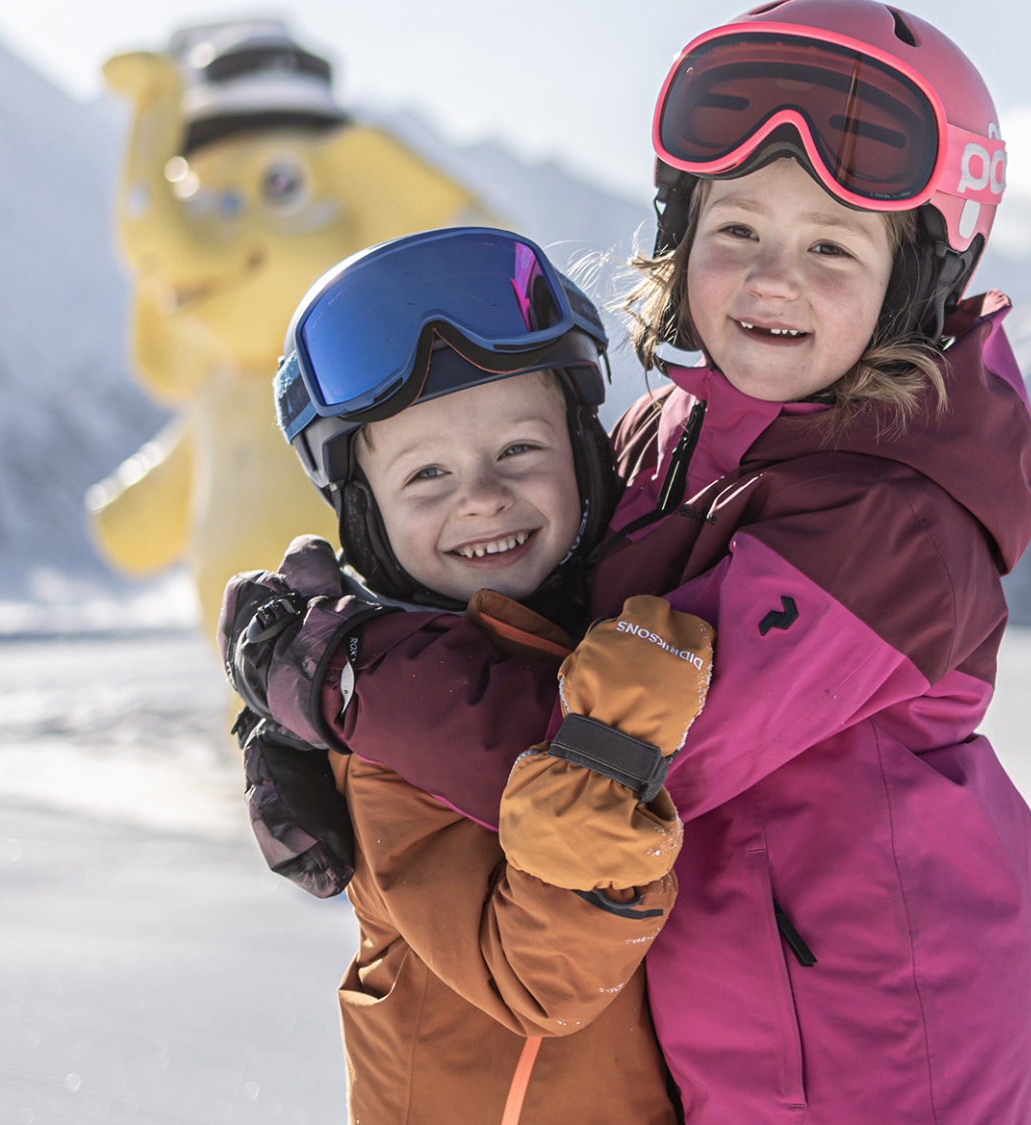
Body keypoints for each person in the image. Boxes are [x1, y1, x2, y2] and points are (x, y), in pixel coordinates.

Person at [233, 4, 1031, 1120]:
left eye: (829, 246)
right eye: (737, 233)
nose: (771, 280)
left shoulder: (897, 521)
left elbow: (615, 764)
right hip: (717, 1025)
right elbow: (540, 614)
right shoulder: (666, 435)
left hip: (859, 1058)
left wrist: (350, 684)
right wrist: (309, 733)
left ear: (918, 274)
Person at [217, 228, 720, 1123]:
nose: (481, 497)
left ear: (582, 451)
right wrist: (608, 750)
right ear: (366, 513)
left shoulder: (583, 627)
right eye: (428, 475)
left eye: (519, 451)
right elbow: (535, 984)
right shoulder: (392, 738)